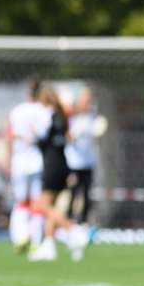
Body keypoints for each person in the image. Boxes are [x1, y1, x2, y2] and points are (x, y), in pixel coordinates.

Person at [28, 87, 89, 262]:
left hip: (52, 165)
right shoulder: (62, 117)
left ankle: (73, 230)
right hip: (62, 164)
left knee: (42, 206)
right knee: (51, 207)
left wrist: (32, 135)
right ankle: (48, 246)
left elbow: (42, 138)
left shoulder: (47, 115)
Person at [5, 78, 51, 252]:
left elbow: (10, 136)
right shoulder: (43, 111)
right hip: (37, 161)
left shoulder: (17, 111)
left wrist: (8, 160)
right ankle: (36, 241)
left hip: (19, 162)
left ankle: (20, 237)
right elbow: (45, 137)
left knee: (21, 202)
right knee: (37, 202)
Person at [65, 89, 99, 224]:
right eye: (85, 99)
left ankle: (83, 222)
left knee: (86, 194)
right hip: (74, 162)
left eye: (89, 99)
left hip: (88, 162)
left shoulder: (93, 116)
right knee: (73, 193)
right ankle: (67, 221)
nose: (87, 102)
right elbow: (67, 136)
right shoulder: (72, 117)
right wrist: (73, 136)